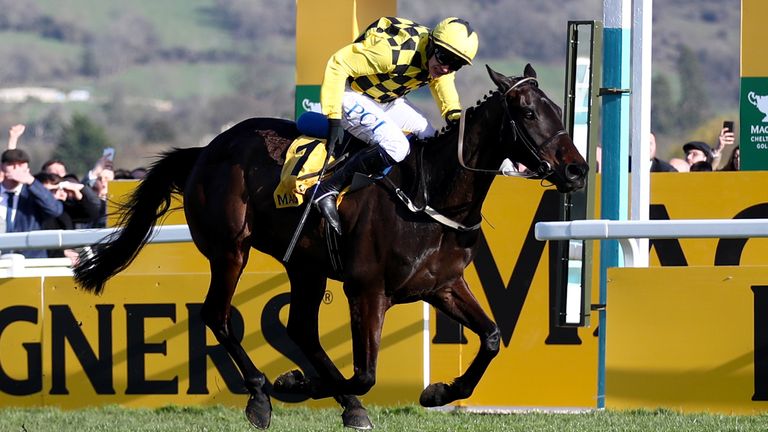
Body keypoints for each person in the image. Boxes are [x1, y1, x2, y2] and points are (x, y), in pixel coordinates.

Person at [312, 16, 479, 234]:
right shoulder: (392, 54)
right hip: (350, 94)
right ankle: (328, 188)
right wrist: (333, 117)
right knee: (397, 146)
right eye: (445, 57)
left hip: (385, 100)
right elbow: (338, 63)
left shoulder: (437, 58)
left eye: (457, 64)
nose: (447, 68)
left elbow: (443, 82)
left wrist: (453, 115)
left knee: (429, 135)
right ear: (431, 44)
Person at [0, 149, 64, 258]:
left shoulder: (34, 193)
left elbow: (55, 210)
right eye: (11, 165)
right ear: (2, 167)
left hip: (30, 261)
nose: (16, 169)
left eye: (21, 166)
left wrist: (32, 182)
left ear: (27, 170)